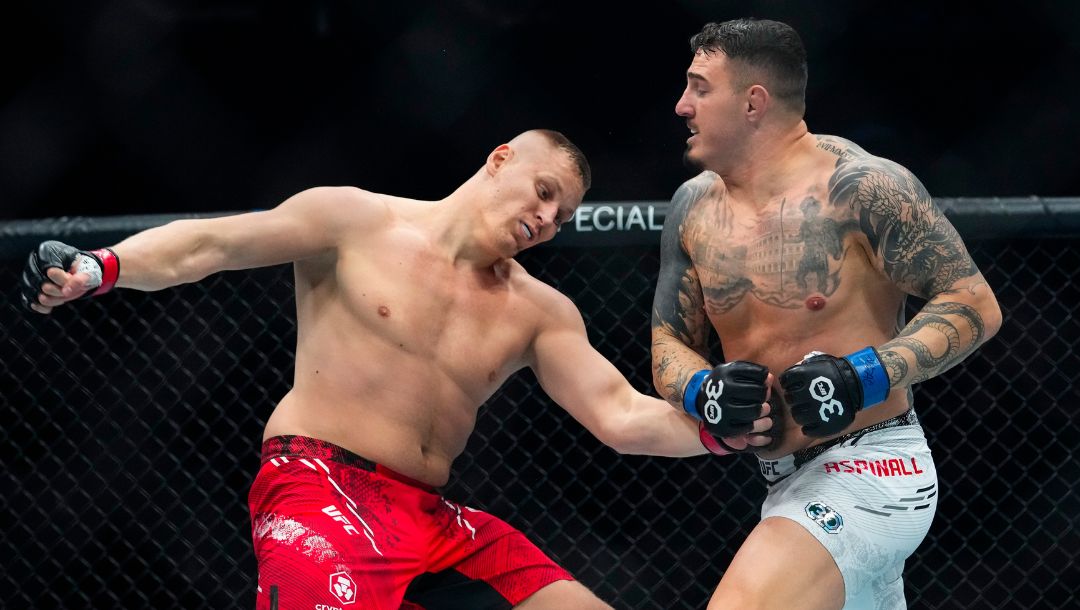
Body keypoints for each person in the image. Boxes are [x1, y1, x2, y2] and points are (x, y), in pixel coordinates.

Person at [22, 129, 772, 610]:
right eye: (544, 193)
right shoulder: (354, 221)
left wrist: (720, 429)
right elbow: (209, 246)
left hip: (432, 517)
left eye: (562, 215)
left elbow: (621, 415)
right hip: (317, 487)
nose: (547, 219)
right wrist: (101, 268)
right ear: (499, 159)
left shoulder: (539, 311)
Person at [651, 19, 1003, 610]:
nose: (682, 105)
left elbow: (974, 304)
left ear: (753, 101)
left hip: (874, 468)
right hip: (782, 480)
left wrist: (865, 373)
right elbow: (668, 343)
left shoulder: (861, 188)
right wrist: (701, 389)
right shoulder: (692, 208)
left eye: (700, 88)